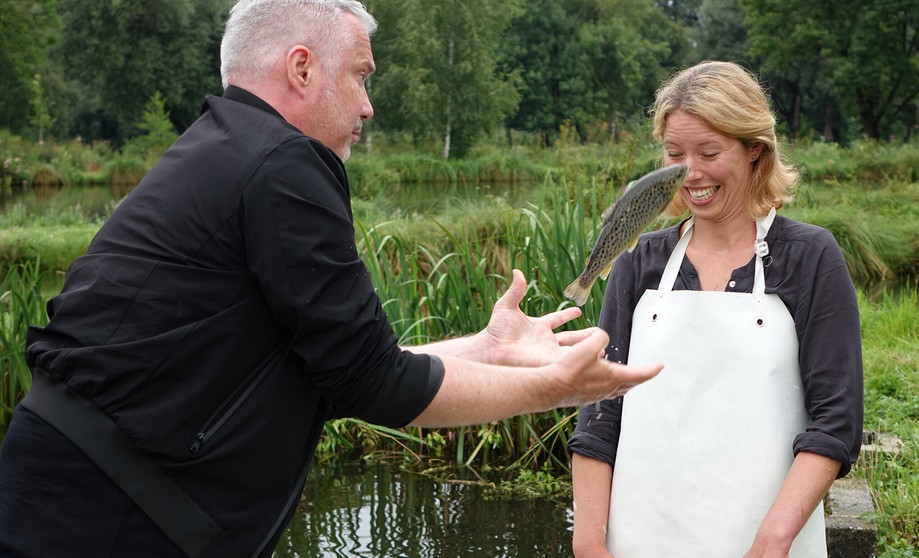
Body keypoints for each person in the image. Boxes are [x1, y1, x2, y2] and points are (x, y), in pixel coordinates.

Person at [0, 1, 662, 556]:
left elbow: (336, 374)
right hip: (101, 521)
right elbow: (374, 384)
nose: (369, 106)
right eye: (361, 76)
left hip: (69, 500)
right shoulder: (282, 163)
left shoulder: (225, 149)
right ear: (301, 68)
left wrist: (488, 350)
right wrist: (549, 388)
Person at [568, 61, 864, 558]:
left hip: (769, 542)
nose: (692, 173)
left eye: (709, 152)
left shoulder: (810, 257)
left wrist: (773, 540)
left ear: (755, 151)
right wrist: (588, 541)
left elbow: (836, 421)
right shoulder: (637, 260)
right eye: (675, 154)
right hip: (639, 538)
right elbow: (600, 415)